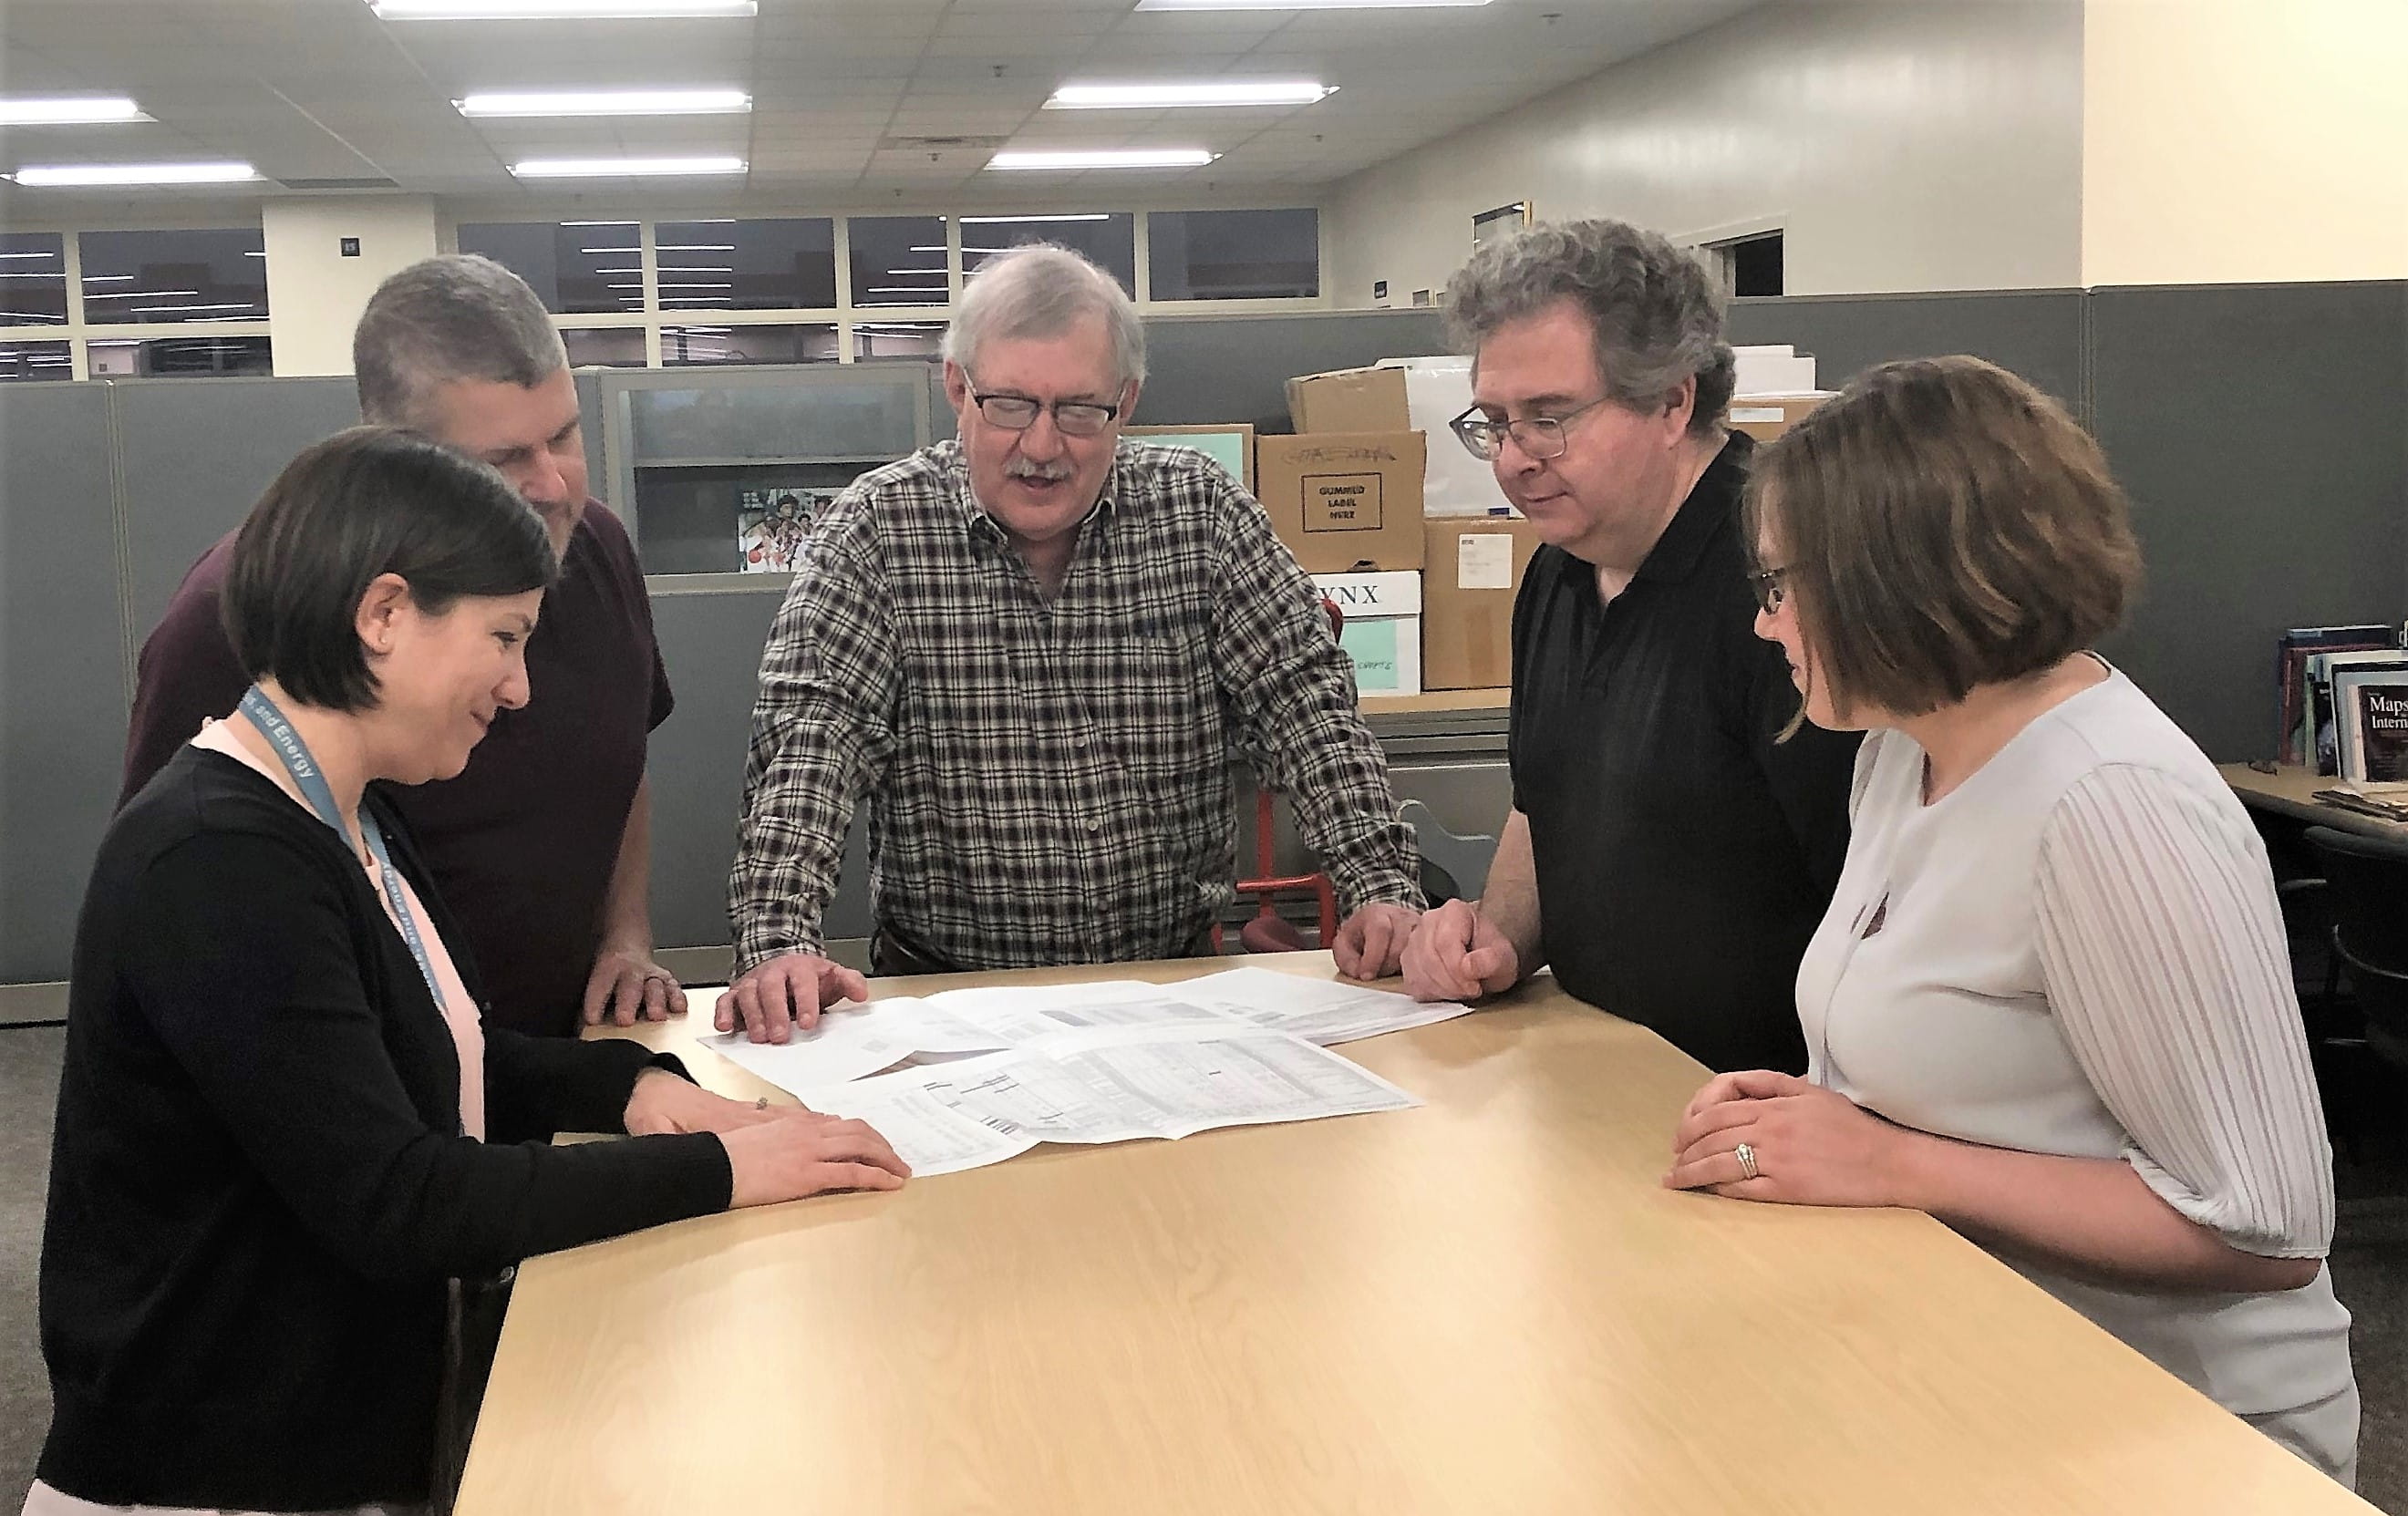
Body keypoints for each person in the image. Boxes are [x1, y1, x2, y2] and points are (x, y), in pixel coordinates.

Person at [16, 427, 907, 1516]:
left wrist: (635, 1089)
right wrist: (721, 1171)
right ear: (380, 616)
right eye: (499, 638)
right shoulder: (217, 859)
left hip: (333, 1506)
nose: (521, 684)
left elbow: (456, 1060)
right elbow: (401, 1196)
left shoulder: (340, 813)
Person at [1666, 356, 2358, 1483]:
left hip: (2181, 1438)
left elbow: (2266, 1229)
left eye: (1785, 586)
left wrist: (1892, 1160)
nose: (1765, 626)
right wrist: (1826, 1111)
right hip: (1978, 1362)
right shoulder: (1901, 749)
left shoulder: (2108, 803)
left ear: (1901, 580)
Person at [720, 242, 1423, 1043]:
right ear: (957, 388)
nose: (1044, 446)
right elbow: (810, 746)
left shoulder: (1200, 515)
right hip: (950, 1003)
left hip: (1178, 990)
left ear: (1126, 402)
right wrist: (778, 943)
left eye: (1079, 410)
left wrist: (1380, 886)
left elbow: (1306, 707)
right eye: (1011, 405)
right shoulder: (875, 534)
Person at [120, 253, 685, 1038]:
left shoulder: (595, 548)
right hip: (362, 1073)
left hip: (557, 1054)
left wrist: (626, 938)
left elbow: (621, 762)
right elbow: (170, 892)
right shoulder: (240, 612)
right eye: (503, 460)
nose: (553, 485)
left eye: (563, 436)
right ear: (396, 453)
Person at [1399, 220, 1860, 1075]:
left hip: (1757, 1109)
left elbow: (1873, 901)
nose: (1512, 460)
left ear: (1672, 401)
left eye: (1548, 420)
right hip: (1595, 1080)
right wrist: (1495, 935)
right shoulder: (1558, 571)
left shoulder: (1783, 581)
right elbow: (1545, 807)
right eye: (1494, 423)